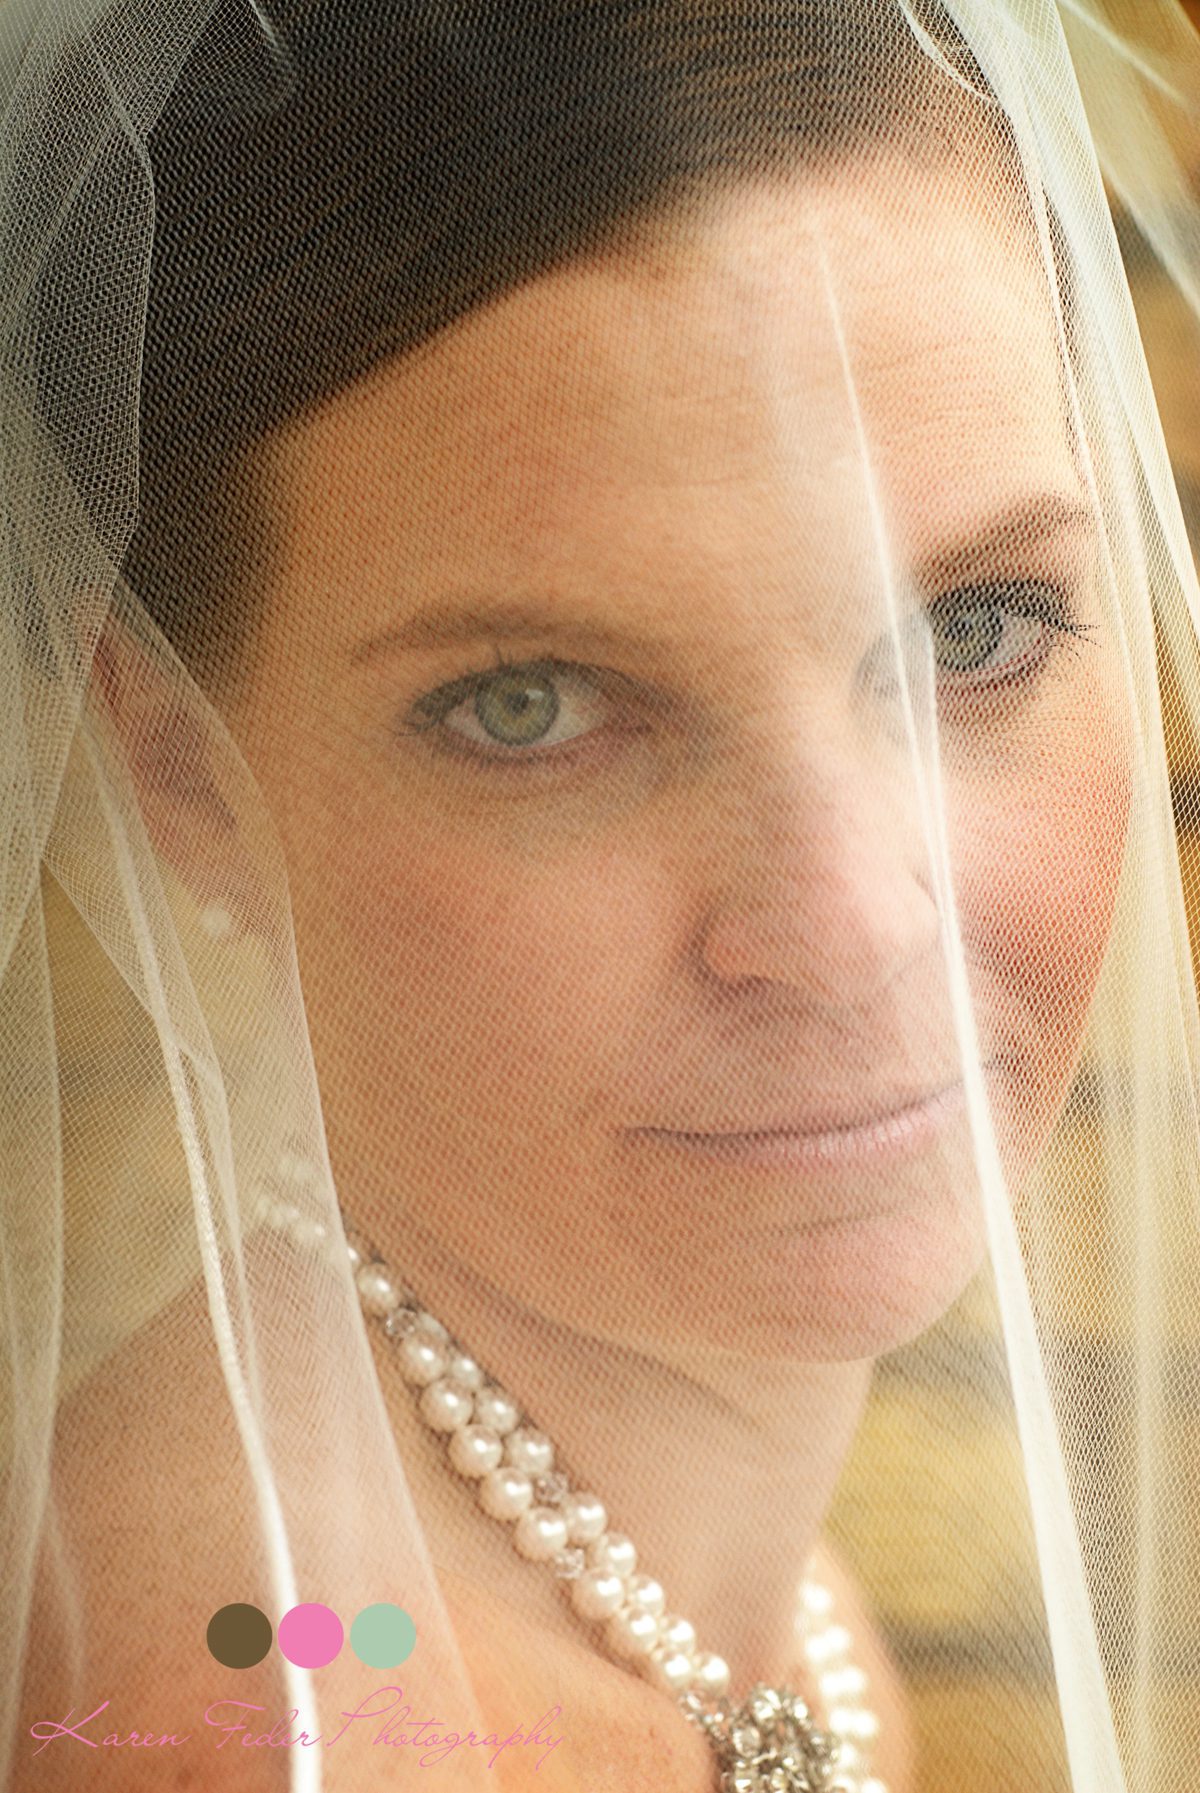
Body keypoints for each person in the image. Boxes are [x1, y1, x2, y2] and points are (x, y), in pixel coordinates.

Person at [4, 3, 1199, 1790]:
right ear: (182, 770)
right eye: (533, 704)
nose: (855, 931)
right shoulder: (271, 1725)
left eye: (974, 627)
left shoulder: (769, 1623)